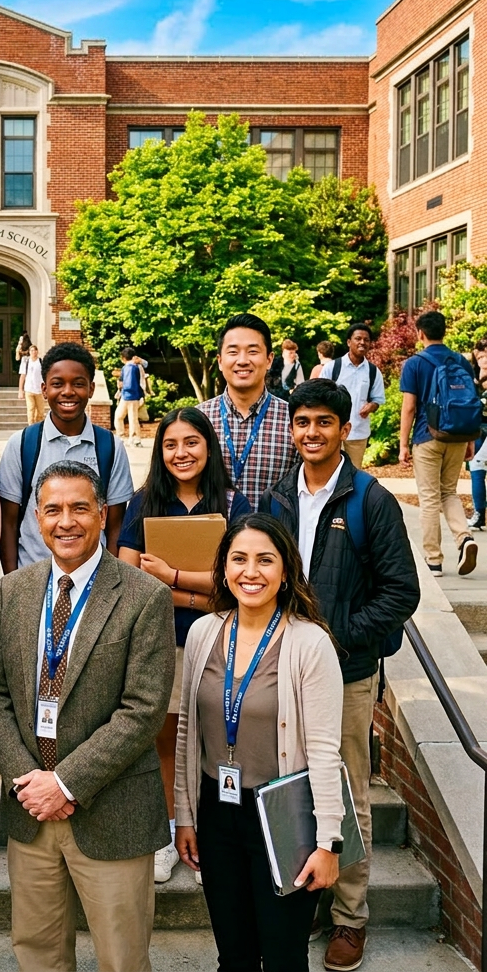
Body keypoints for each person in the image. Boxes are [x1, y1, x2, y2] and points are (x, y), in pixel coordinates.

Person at [0, 460, 175, 972]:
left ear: (103, 514)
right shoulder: (16, 591)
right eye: (52, 510)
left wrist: (63, 784)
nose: (66, 521)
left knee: (122, 958)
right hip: (31, 813)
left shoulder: (144, 595)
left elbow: (142, 710)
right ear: (35, 521)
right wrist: (29, 780)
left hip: (111, 811)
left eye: (79, 508)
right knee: (39, 954)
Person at [260, 378, 419, 971]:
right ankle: (308, 895)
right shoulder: (278, 497)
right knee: (290, 784)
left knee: (345, 792)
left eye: (324, 422)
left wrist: (336, 637)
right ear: (292, 428)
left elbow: (402, 590)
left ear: (344, 429)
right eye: (302, 422)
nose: (312, 433)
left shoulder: (369, 500)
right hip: (280, 670)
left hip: (347, 674)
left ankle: (350, 918)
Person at [174, 513, 344, 972]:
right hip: (217, 812)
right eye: (239, 559)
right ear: (224, 569)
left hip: (285, 817)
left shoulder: (310, 644)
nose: (251, 572)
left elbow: (327, 750)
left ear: (286, 571)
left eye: (265, 560)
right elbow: (188, 730)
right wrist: (185, 815)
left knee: (285, 957)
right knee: (234, 955)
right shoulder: (202, 633)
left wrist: (329, 842)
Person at [117, 406, 251, 884]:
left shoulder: (237, 506)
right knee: (167, 740)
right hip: (162, 642)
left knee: (219, 742)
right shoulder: (145, 502)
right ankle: (170, 834)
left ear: (209, 447)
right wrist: (205, 592)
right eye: (170, 445)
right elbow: (130, 579)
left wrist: (173, 580)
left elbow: (243, 581)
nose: (181, 453)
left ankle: (210, 838)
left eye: (191, 442)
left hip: (227, 643)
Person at [0, 342, 134, 573]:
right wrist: (13, 583)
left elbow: (115, 526)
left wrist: (110, 584)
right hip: (33, 578)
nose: (68, 391)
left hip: (93, 583)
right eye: (57, 384)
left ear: (91, 389)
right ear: (43, 389)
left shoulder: (110, 447)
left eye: (78, 384)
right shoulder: (22, 444)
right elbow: (8, 523)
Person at [399, 309, 479, 576]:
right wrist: (469, 439)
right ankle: (464, 537)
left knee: (430, 498)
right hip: (457, 435)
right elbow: (469, 403)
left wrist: (403, 444)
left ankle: (434, 560)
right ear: (444, 331)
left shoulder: (415, 364)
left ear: (420, 333)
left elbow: (409, 407)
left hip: (427, 435)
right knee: (449, 492)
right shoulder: (461, 361)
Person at [198, 313, 296, 510]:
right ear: (219, 360)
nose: (242, 361)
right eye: (233, 352)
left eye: (252, 351)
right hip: (210, 539)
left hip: (274, 539)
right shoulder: (197, 420)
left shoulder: (294, 420)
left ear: (269, 360)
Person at [320, 323, 385, 470]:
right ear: (349, 342)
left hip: (358, 432)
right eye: (358, 338)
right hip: (332, 432)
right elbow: (320, 396)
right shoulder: (332, 368)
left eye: (366, 340)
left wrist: (371, 406)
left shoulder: (373, 372)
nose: (362, 342)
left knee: (354, 473)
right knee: (330, 471)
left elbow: (378, 399)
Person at [467, 339, 487, 531]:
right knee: (476, 468)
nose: (483, 359)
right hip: (477, 430)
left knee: (477, 465)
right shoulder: (472, 380)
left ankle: (479, 513)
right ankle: (479, 512)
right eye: (480, 356)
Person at [114, 347, 146, 446]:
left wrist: (122, 387)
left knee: (122, 417)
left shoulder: (131, 367)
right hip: (130, 396)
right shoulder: (135, 366)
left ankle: (131, 438)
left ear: (123, 358)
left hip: (129, 396)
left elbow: (128, 383)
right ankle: (131, 438)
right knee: (129, 418)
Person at [22, 345, 45, 425]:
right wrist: (20, 390)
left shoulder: (41, 362)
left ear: (37, 352)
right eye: (31, 350)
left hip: (39, 390)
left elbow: (45, 375)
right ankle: (31, 427)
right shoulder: (26, 362)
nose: (33, 352)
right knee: (31, 409)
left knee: (40, 412)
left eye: (35, 350)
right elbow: (22, 376)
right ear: (29, 352)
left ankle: (38, 427)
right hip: (29, 389)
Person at [15, 331, 32, 399]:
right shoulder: (31, 346)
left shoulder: (20, 347)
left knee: (22, 376)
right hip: (30, 361)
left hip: (24, 361)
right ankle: (26, 390)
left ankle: (20, 391)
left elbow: (17, 358)